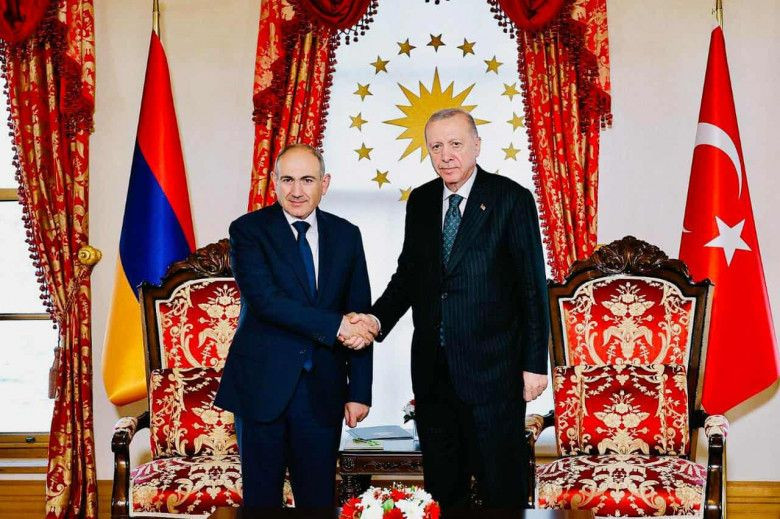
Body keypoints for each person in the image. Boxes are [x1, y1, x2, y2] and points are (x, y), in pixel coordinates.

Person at [349, 108, 550, 509]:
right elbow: (408, 276)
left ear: (477, 145)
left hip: (494, 375)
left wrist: (534, 364)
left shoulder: (511, 199)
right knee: (443, 495)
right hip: (433, 376)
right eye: (436, 146)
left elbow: (532, 287)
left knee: (501, 494)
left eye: (456, 144)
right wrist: (374, 319)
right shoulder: (422, 201)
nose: (446, 155)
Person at [215, 144, 376, 508]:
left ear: (325, 183)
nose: (297, 191)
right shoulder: (248, 230)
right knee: (261, 505)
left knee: (318, 503)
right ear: (274, 181)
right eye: (287, 180)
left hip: (323, 391)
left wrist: (359, 390)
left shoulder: (347, 235)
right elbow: (266, 302)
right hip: (261, 388)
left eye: (307, 180)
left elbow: (359, 314)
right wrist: (336, 325)